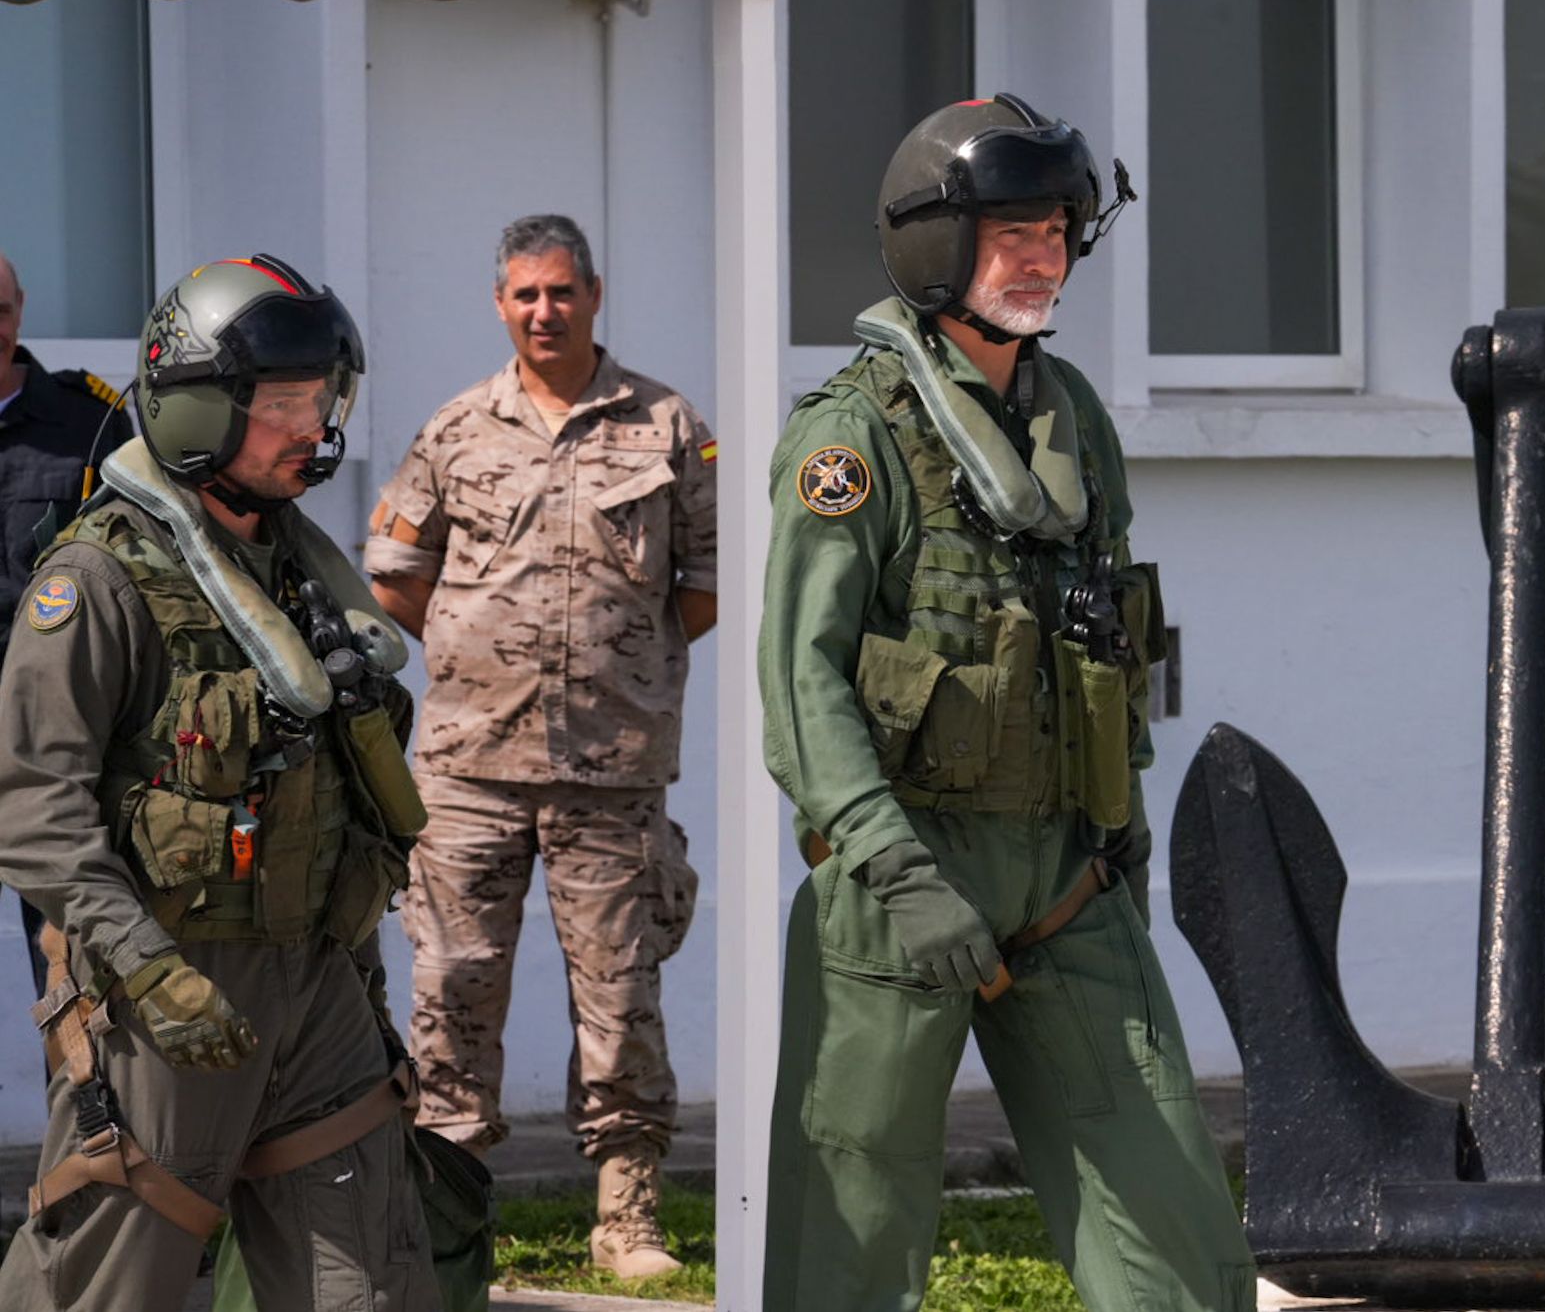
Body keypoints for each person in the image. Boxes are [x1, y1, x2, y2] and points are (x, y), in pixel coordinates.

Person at [758, 93, 1256, 1312]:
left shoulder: (1070, 420)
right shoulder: (850, 441)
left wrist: (1120, 825)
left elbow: (1113, 636)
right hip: (902, 879)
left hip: (1068, 877)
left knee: (1167, 1203)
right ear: (937, 242)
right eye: (1008, 232)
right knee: (849, 1226)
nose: (1041, 257)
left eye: (1054, 231)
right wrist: (894, 869)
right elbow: (800, 678)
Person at [0, 254, 437, 1310]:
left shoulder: (300, 575)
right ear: (198, 406)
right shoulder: (97, 581)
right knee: (106, 1283)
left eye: (320, 400)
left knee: (368, 1283)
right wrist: (149, 972)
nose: (310, 427)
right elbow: (34, 806)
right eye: (281, 403)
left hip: (320, 985)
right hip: (168, 992)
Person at [365, 213, 714, 1279]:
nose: (544, 311)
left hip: (611, 770)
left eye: (562, 291)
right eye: (525, 294)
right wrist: (481, 654)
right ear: (500, 304)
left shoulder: (666, 426)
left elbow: (702, 586)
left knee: (621, 993)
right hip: (470, 768)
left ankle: (626, 1218)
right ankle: (448, 1214)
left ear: (594, 295)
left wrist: (614, 663)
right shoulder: (456, 428)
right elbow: (394, 575)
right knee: (452, 986)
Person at [0, 250, 134, 999]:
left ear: (21, 310)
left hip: (57, 738)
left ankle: (77, 1082)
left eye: (0, 310)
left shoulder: (89, 423)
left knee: (70, 961)